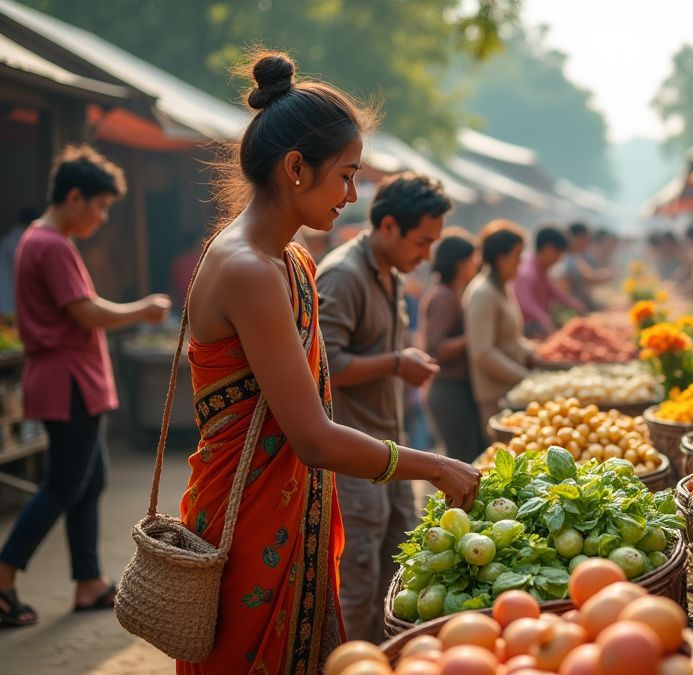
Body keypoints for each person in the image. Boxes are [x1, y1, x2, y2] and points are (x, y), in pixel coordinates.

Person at [176, 52, 479, 672]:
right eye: (345, 176)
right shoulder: (249, 269)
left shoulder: (291, 262)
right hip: (250, 525)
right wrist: (437, 467)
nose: (351, 195)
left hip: (292, 512)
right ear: (295, 169)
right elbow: (312, 438)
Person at [0, 147, 171, 627]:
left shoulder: (43, 240)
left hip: (71, 379)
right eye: (99, 205)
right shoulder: (50, 244)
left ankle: (89, 582)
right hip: (67, 380)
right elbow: (87, 311)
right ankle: (4, 575)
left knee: (88, 480)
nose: (102, 217)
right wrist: (143, 308)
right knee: (61, 484)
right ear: (73, 196)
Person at [314, 171, 450, 643]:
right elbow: (324, 363)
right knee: (356, 584)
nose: (427, 255)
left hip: (391, 449)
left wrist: (397, 364)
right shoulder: (344, 274)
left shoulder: (390, 274)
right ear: (388, 226)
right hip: (354, 458)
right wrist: (396, 362)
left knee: (398, 576)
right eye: (422, 241)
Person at [465, 221, 539, 429]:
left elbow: (510, 340)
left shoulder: (503, 288)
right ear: (501, 257)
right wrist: (524, 377)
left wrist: (536, 353)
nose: (520, 262)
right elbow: (483, 352)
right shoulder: (483, 293)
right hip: (494, 394)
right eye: (517, 256)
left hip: (509, 390)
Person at [421, 232, 486, 463]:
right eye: (473, 258)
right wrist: (474, 338)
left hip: (458, 388)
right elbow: (436, 348)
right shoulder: (443, 298)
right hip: (449, 390)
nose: (476, 264)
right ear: (460, 263)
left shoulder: (456, 293)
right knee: (462, 461)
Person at [513, 225, 585, 337]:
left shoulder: (541, 269)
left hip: (539, 322)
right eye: (557, 254)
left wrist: (574, 304)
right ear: (548, 249)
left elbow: (553, 291)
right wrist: (544, 320)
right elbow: (525, 303)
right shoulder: (527, 272)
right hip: (526, 328)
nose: (559, 259)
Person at [561, 222, 614, 312]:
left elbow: (590, 274)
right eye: (586, 238)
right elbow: (589, 278)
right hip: (574, 309)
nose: (588, 242)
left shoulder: (577, 257)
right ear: (577, 238)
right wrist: (611, 273)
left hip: (581, 306)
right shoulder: (565, 260)